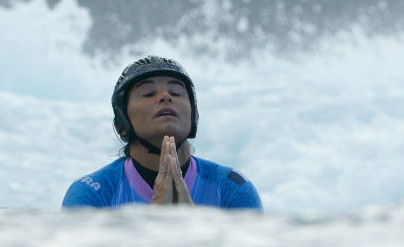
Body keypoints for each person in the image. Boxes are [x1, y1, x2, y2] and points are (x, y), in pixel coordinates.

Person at [62, 55, 262, 209]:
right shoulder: (91, 194)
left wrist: (193, 225)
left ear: (193, 118)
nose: (165, 96)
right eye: (148, 93)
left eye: (176, 92)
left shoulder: (232, 189)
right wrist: (156, 226)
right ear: (122, 124)